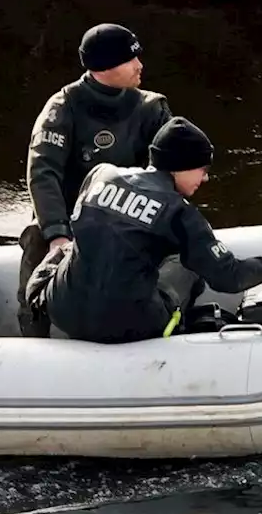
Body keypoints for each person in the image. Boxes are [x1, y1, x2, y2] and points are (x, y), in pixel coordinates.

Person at [26, 116, 262, 345]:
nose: (206, 178)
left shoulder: (100, 173)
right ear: (181, 167)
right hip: (126, 328)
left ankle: (33, 329)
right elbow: (229, 277)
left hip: (64, 309)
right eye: (202, 169)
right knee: (189, 267)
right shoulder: (180, 212)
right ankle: (174, 338)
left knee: (75, 250)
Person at [16, 22, 174, 337]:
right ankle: (33, 330)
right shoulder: (63, 108)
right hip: (71, 219)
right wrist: (57, 234)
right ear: (105, 67)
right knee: (36, 235)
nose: (140, 66)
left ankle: (161, 321)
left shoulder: (151, 108)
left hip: (127, 215)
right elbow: (42, 172)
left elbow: (173, 169)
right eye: (131, 60)